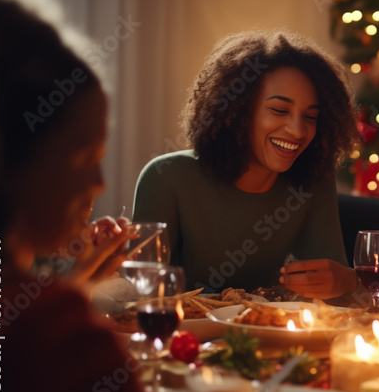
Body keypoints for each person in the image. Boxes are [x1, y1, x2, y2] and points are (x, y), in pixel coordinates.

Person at [0, 0, 274, 392]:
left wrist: (80, 276)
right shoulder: (56, 336)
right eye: (84, 159)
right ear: (11, 163)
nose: (98, 183)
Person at [133, 30, 360, 297]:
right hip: (187, 335)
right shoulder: (166, 177)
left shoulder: (313, 181)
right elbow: (140, 295)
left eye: (310, 117)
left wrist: (347, 281)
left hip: (269, 334)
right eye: (279, 110)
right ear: (238, 110)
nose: (298, 131)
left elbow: (337, 305)